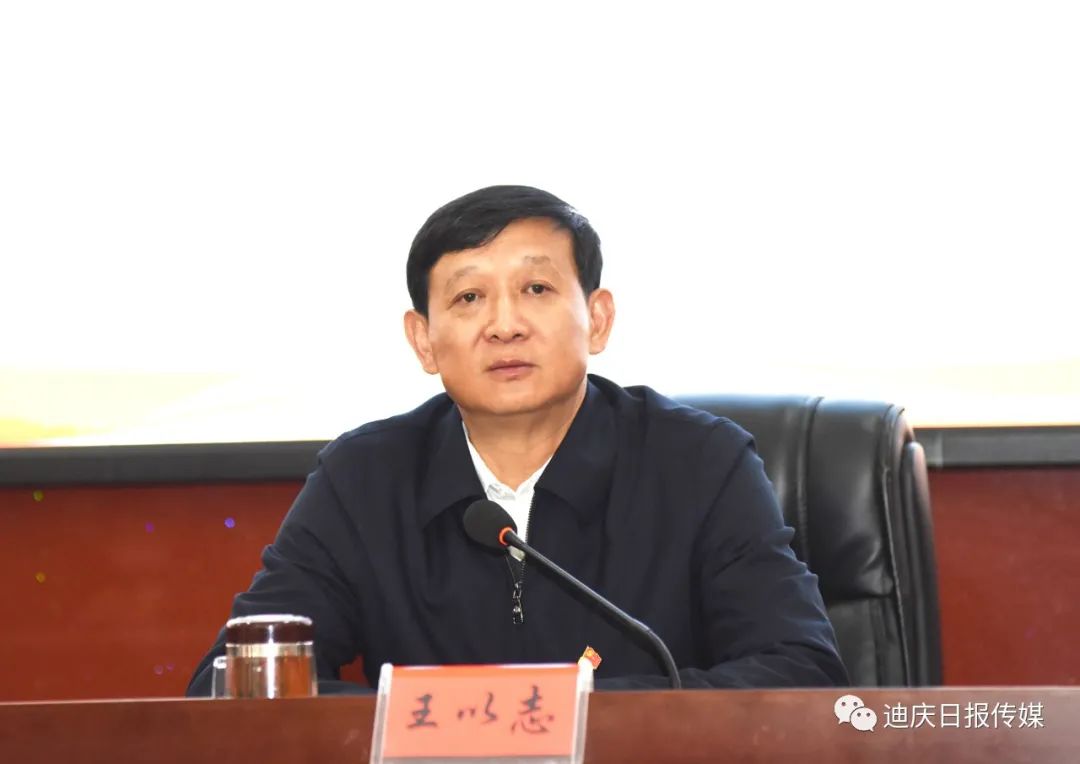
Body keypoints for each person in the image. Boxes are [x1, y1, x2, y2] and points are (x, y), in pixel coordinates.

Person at [187, 185, 848, 694]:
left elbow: (801, 671)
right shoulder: (365, 478)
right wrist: (450, 729)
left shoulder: (699, 464)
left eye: (536, 288)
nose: (504, 325)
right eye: (468, 298)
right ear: (423, 339)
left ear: (597, 319)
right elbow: (236, 684)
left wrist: (560, 718)